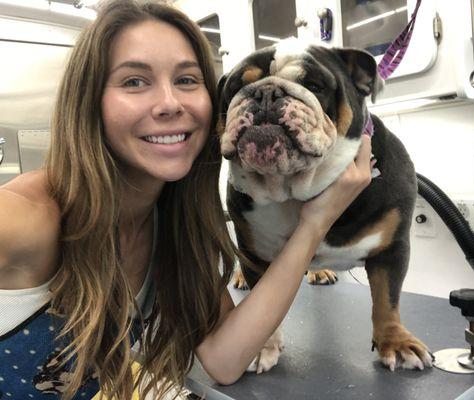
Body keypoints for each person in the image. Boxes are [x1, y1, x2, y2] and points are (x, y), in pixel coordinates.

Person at [0, 0, 373, 399]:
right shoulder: (26, 217)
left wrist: (315, 223)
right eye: (134, 82)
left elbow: (224, 358)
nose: (170, 104)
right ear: (89, 102)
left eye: (187, 80)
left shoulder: (168, 228)